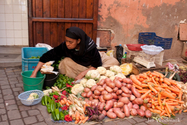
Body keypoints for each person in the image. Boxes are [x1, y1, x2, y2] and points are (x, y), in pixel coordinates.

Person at [30, 27, 102, 80]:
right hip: (77, 65)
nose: (67, 44)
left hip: (89, 67)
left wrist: (82, 74)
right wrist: (34, 72)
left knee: (102, 71)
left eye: (70, 42)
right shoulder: (65, 46)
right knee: (65, 62)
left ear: (78, 41)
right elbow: (48, 56)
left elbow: (97, 65)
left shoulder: (90, 48)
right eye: (66, 41)